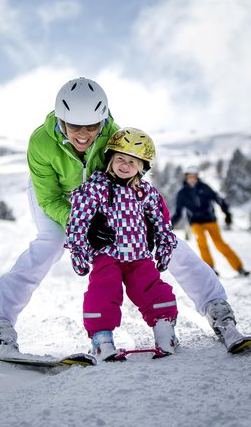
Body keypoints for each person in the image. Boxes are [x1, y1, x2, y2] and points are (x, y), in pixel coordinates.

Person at [0, 77, 251, 354]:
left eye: (92, 126)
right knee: (50, 244)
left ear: (103, 119)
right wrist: (82, 223)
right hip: (58, 197)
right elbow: (48, 198)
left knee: (163, 242)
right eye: (74, 126)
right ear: (61, 119)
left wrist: (141, 218)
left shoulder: (114, 135)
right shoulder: (41, 142)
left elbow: (130, 173)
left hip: (105, 198)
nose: (83, 135)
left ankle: (217, 308)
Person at [65, 128, 179, 360]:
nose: (125, 165)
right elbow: (78, 219)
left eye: (132, 161)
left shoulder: (146, 192)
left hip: (139, 256)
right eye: (120, 159)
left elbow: (161, 220)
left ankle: (165, 332)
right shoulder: (95, 188)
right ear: (110, 159)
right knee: (102, 292)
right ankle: (102, 339)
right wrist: (78, 249)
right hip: (108, 255)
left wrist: (165, 245)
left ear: (142, 167)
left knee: (153, 291)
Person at [171, 166, 251, 277]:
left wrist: (227, 213)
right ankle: (210, 268)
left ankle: (239, 267)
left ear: (197, 177)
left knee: (219, 243)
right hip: (195, 222)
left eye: (194, 177)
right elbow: (178, 212)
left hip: (209, 219)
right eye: (190, 177)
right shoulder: (182, 193)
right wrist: (170, 225)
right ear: (186, 178)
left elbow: (219, 199)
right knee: (202, 242)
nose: (192, 179)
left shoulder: (205, 188)